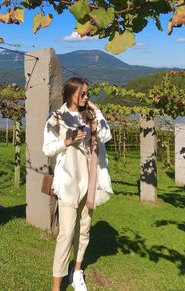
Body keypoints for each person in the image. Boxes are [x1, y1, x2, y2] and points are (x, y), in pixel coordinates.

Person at [42, 77, 113, 291]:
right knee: (65, 234)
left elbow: (106, 135)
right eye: (82, 94)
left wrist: (97, 111)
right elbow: (47, 149)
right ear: (70, 93)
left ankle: (77, 272)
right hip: (69, 183)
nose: (86, 97)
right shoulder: (57, 117)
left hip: (89, 182)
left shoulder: (90, 116)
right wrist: (68, 141)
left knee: (84, 229)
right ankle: (56, 286)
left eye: (87, 94)